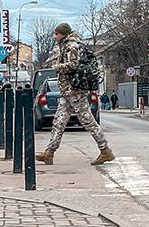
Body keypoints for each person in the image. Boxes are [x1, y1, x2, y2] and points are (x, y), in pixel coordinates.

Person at [36, 23, 115, 166]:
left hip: (75, 91)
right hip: (67, 92)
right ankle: (49, 153)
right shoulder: (64, 45)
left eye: (57, 34)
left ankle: (105, 150)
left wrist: (57, 67)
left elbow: (73, 65)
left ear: (63, 34)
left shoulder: (72, 46)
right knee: (58, 123)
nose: (55, 37)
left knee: (88, 121)